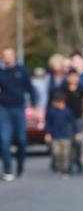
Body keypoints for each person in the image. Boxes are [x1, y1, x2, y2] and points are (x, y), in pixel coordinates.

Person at [0, 47, 37, 180]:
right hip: (3, 108)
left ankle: (20, 164)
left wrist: (33, 105)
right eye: (5, 55)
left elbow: (30, 88)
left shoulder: (21, 70)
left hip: (19, 108)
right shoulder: (1, 71)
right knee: (4, 140)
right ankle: (7, 169)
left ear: (14, 56)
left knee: (21, 139)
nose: (8, 58)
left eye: (10, 55)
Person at [62, 69, 83, 174]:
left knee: (78, 142)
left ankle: (78, 162)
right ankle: (68, 164)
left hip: (78, 119)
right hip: (67, 120)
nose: (73, 79)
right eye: (71, 76)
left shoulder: (81, 89)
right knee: (68, 142)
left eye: (75, 76)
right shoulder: (64, 89)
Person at [44, 91, 77, 178]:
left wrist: (75, 133)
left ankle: (65, 170)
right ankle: (58, 166)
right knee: (56, 152)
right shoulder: (51, 112)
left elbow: (73, 123)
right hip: (55, 136)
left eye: (61, 102)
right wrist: (47, 133)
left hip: (66, 136)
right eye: (57, 102)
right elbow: (48, 123)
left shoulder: (67, 111)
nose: (59, 104)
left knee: (66, 154)